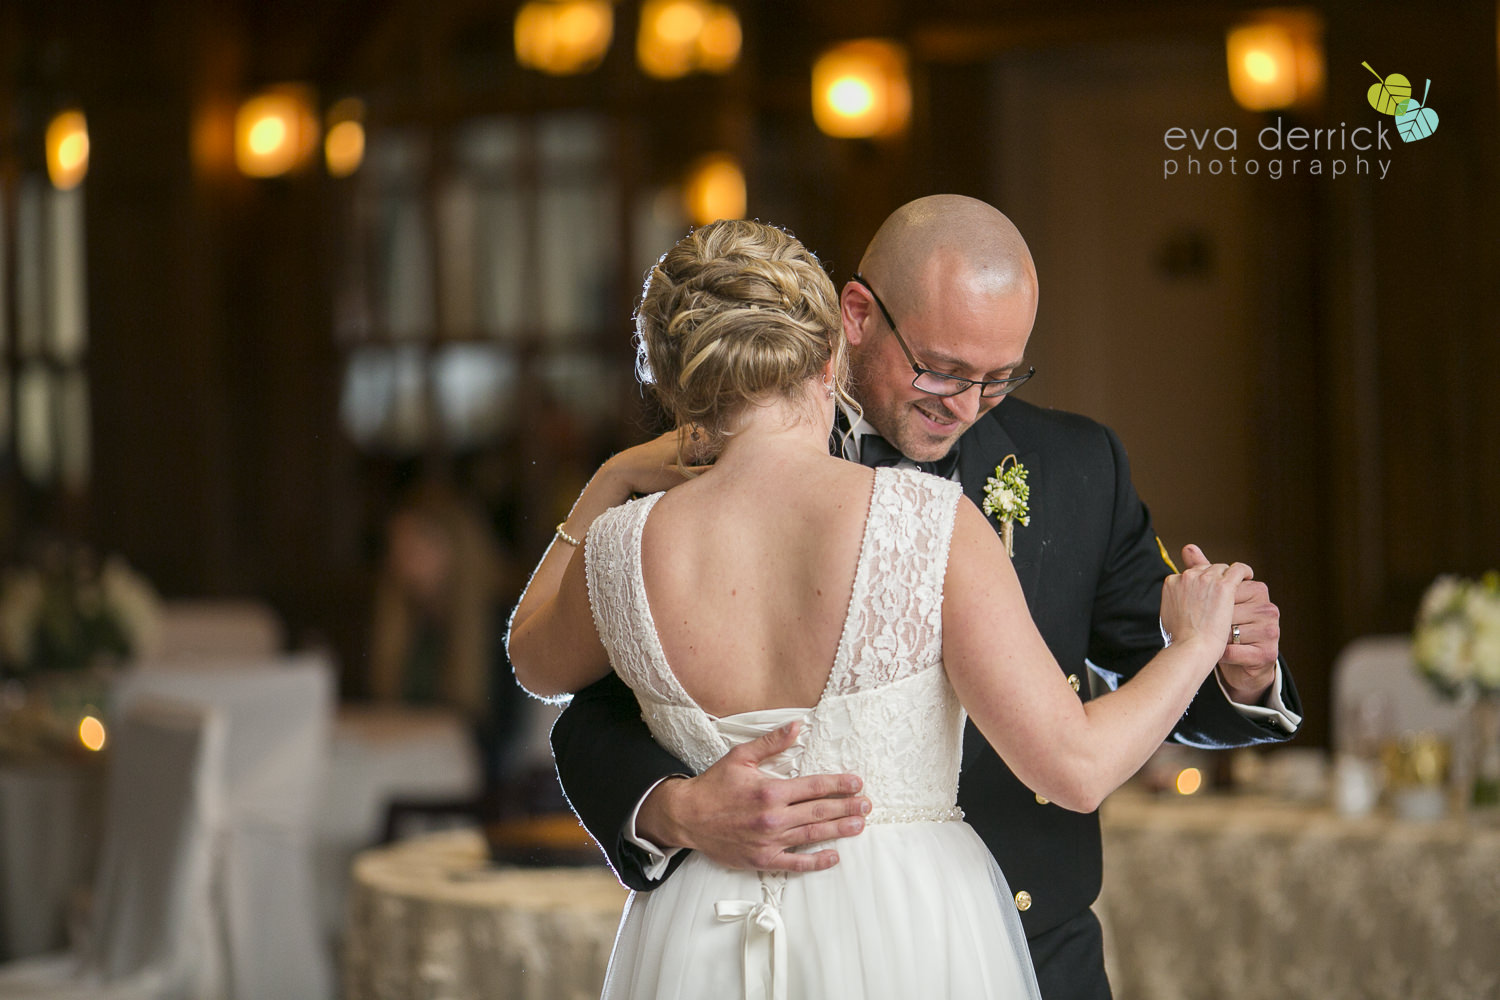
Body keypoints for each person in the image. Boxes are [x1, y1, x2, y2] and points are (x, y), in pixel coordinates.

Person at [548, 197, 1304, 999]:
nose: (968, 406)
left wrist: (1236, 671)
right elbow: (590, 706)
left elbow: (1146, 660)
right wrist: (669, 808)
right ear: (858, 315)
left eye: (999, 378)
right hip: (761, 937)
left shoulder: (1078, 466)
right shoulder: (696, 465)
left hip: (1030, 948)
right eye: (941, 369)